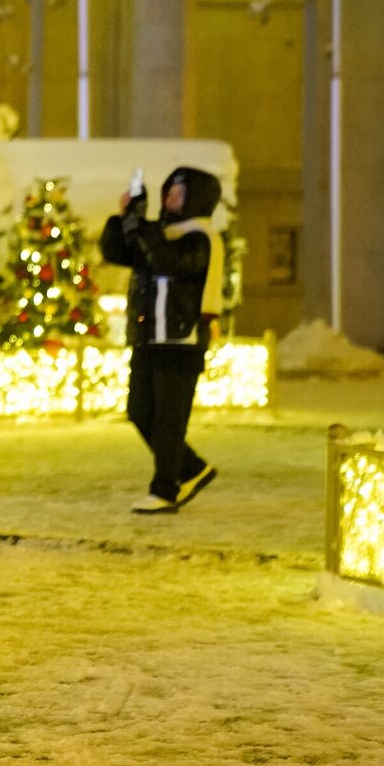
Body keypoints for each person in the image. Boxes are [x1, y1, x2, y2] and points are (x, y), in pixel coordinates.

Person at [100, 166, 225, 515]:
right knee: (140, 411)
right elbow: (118, 252)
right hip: (149, 337)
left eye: (179, 192)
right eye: (169, 189)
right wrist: (124, 217)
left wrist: (141, 226)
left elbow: (167, 261)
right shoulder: (160, 232)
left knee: (169, 419)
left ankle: (166, 489)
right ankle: (191, 468)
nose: (170, 197)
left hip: (181, 339)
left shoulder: (201, 237)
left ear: (197, 199)